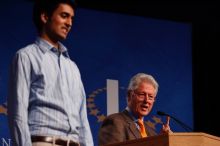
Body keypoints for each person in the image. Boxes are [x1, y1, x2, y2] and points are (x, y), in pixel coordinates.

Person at [7, 0, 94, 146]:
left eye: (72, 18)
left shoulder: (72, 67)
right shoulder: (26, 56)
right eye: (64, 16)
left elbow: (83, 120)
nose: (69, 23)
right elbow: (18, 115)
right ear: (45, 17)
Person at [98, 73, 171, 145]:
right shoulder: (115, 122)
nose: (147, 100)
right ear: (130, 95)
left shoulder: (151, 133)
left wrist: (161, 141)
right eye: (142, 95)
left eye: (150, 97)